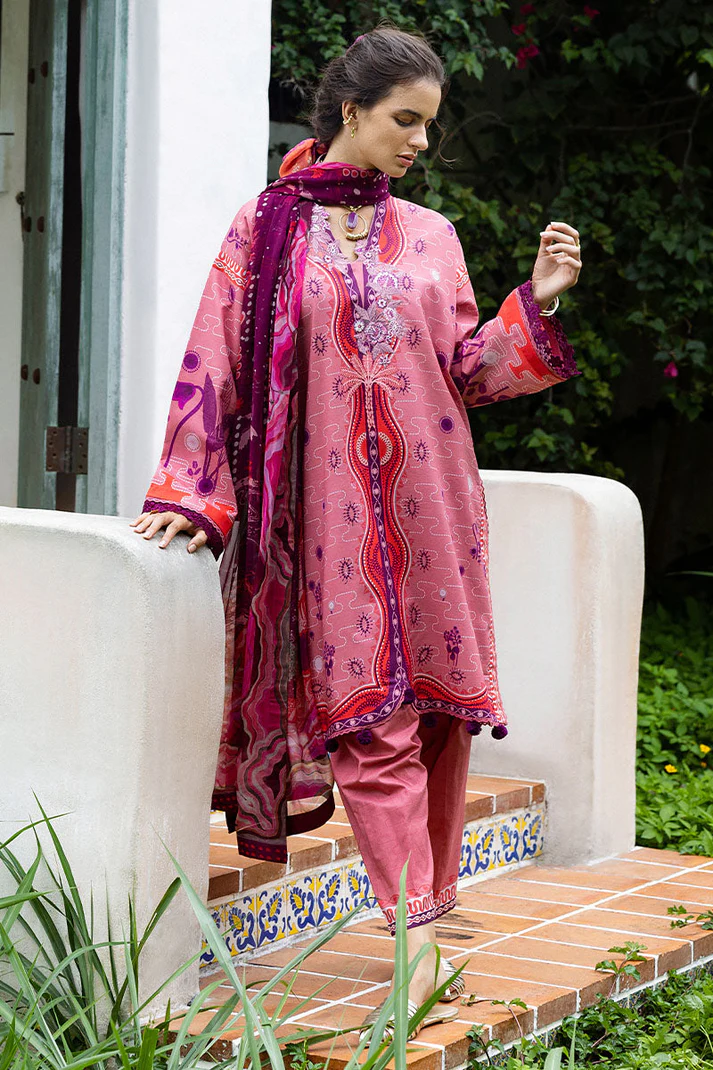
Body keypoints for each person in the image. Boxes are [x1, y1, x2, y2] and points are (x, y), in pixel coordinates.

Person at [130, 25, 582, 1037]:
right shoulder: (264, 228)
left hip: (434, 506)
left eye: (428, 125)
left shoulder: (430, 234)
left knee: (437, 717)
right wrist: (190, 492)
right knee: (368, 723)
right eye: (403, 120)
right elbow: (212, 361)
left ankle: (431, 919)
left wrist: (535, 305)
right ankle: (414, 945)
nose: (419, 141)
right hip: (323, 521)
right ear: (350, 111)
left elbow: (467, 372)